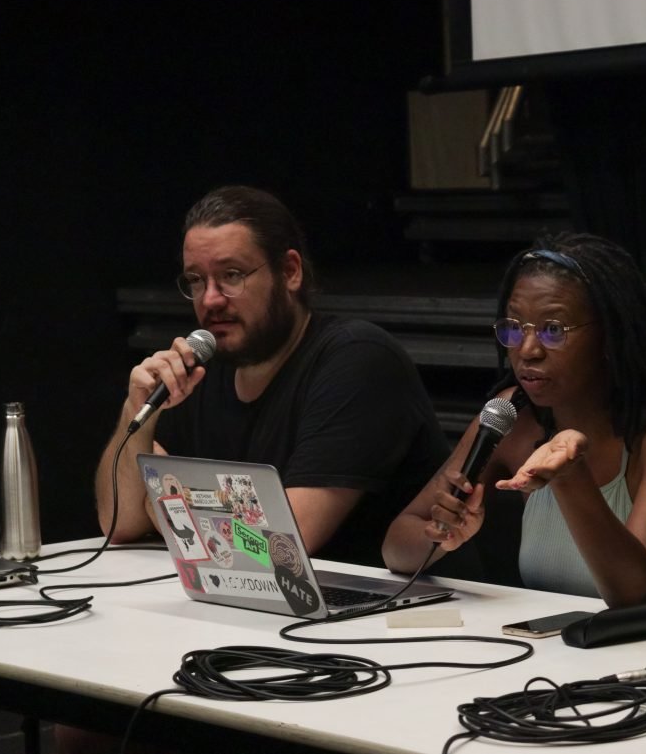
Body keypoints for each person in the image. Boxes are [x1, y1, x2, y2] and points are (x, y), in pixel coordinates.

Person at [95, 185, 450, 568]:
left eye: (231, 275)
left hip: (385, 614)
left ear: (290, 272)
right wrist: (138, 410)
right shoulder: (199, 366)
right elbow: (119, 522)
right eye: (196, 280)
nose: (210, 299)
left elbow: (283, 544)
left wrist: (161, 500)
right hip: (260, 609)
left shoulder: (357, 359)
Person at [382, 233, 646, 607]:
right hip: (550, 650)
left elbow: (633, 594)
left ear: (610, 334)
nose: (527, 350)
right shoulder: (512, 416)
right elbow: (395, 547)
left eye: (553, 330)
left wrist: (570, 476)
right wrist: (441, 532)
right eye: (514, 327)